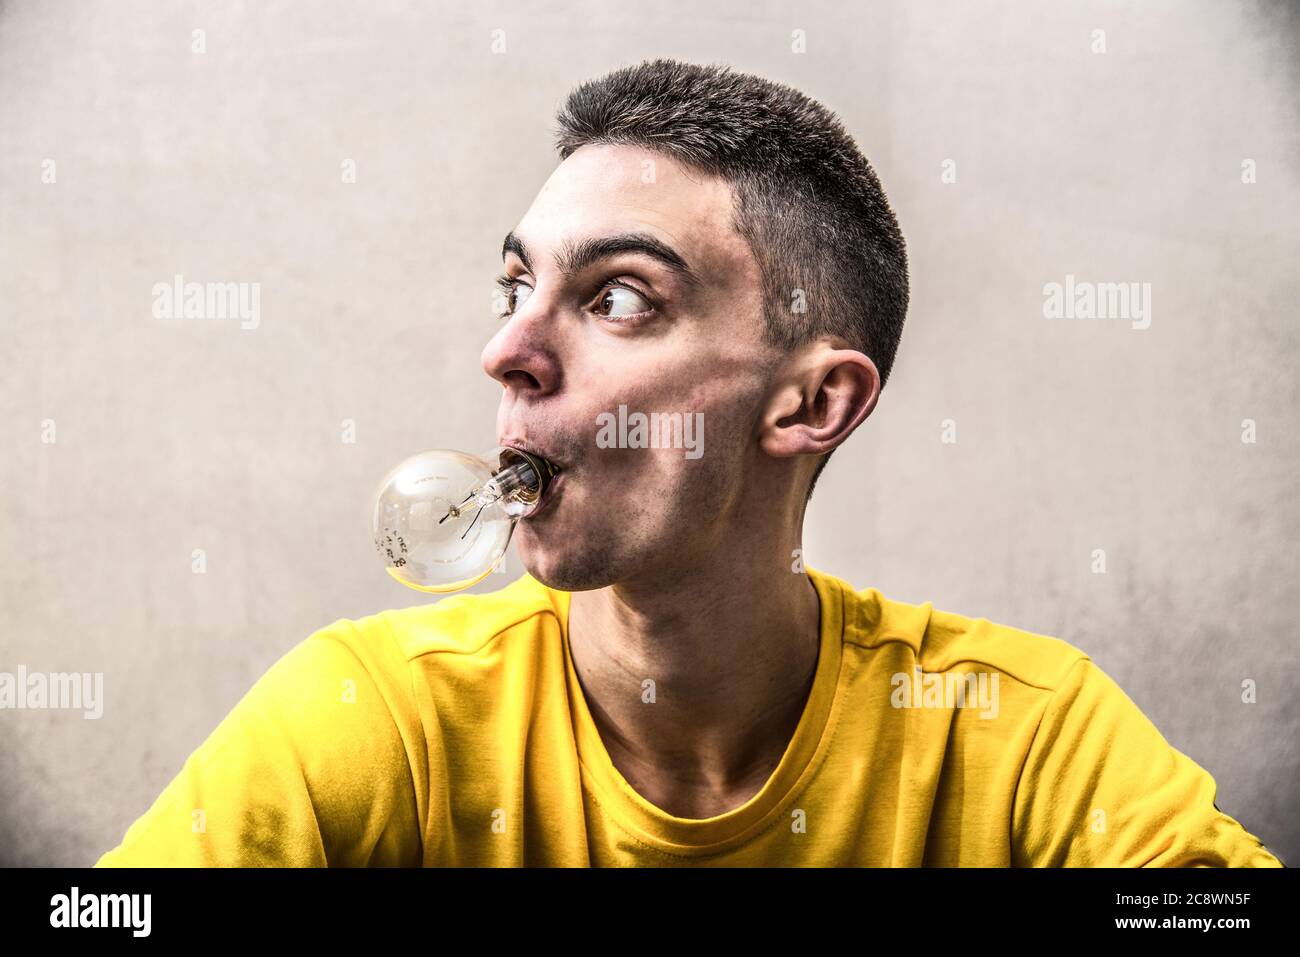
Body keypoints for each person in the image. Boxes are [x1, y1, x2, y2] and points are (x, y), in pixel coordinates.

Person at [96, 58, 1283, 867]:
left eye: (615, 297)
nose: (505, 349)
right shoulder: (370, 717)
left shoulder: (1022, 734)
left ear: (813, 402)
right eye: (517, 286)